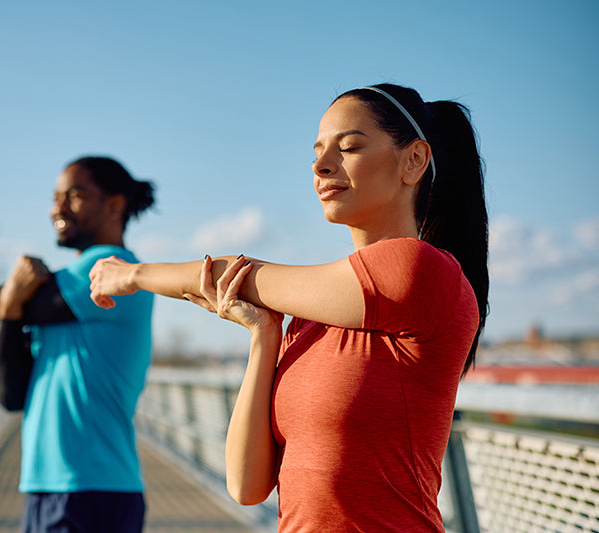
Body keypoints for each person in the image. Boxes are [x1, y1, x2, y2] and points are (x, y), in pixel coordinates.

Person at [87, 84, 489, 532]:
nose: (321, 166)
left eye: (350, 146)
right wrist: (264, 338)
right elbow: (246, 486)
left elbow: (235, 274)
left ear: (414, 160)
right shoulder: (310, 318)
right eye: (317, 152)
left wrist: (132, 275)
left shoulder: (421, 270)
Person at [0, 156, 156, 533]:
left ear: (115, 205)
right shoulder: (59, 307)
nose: (57, 207)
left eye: (74, 195)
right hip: (49, 487)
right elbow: (12, 396)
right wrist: (10, 308)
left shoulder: (115, 271)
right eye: (55, 197)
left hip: (91, 490)